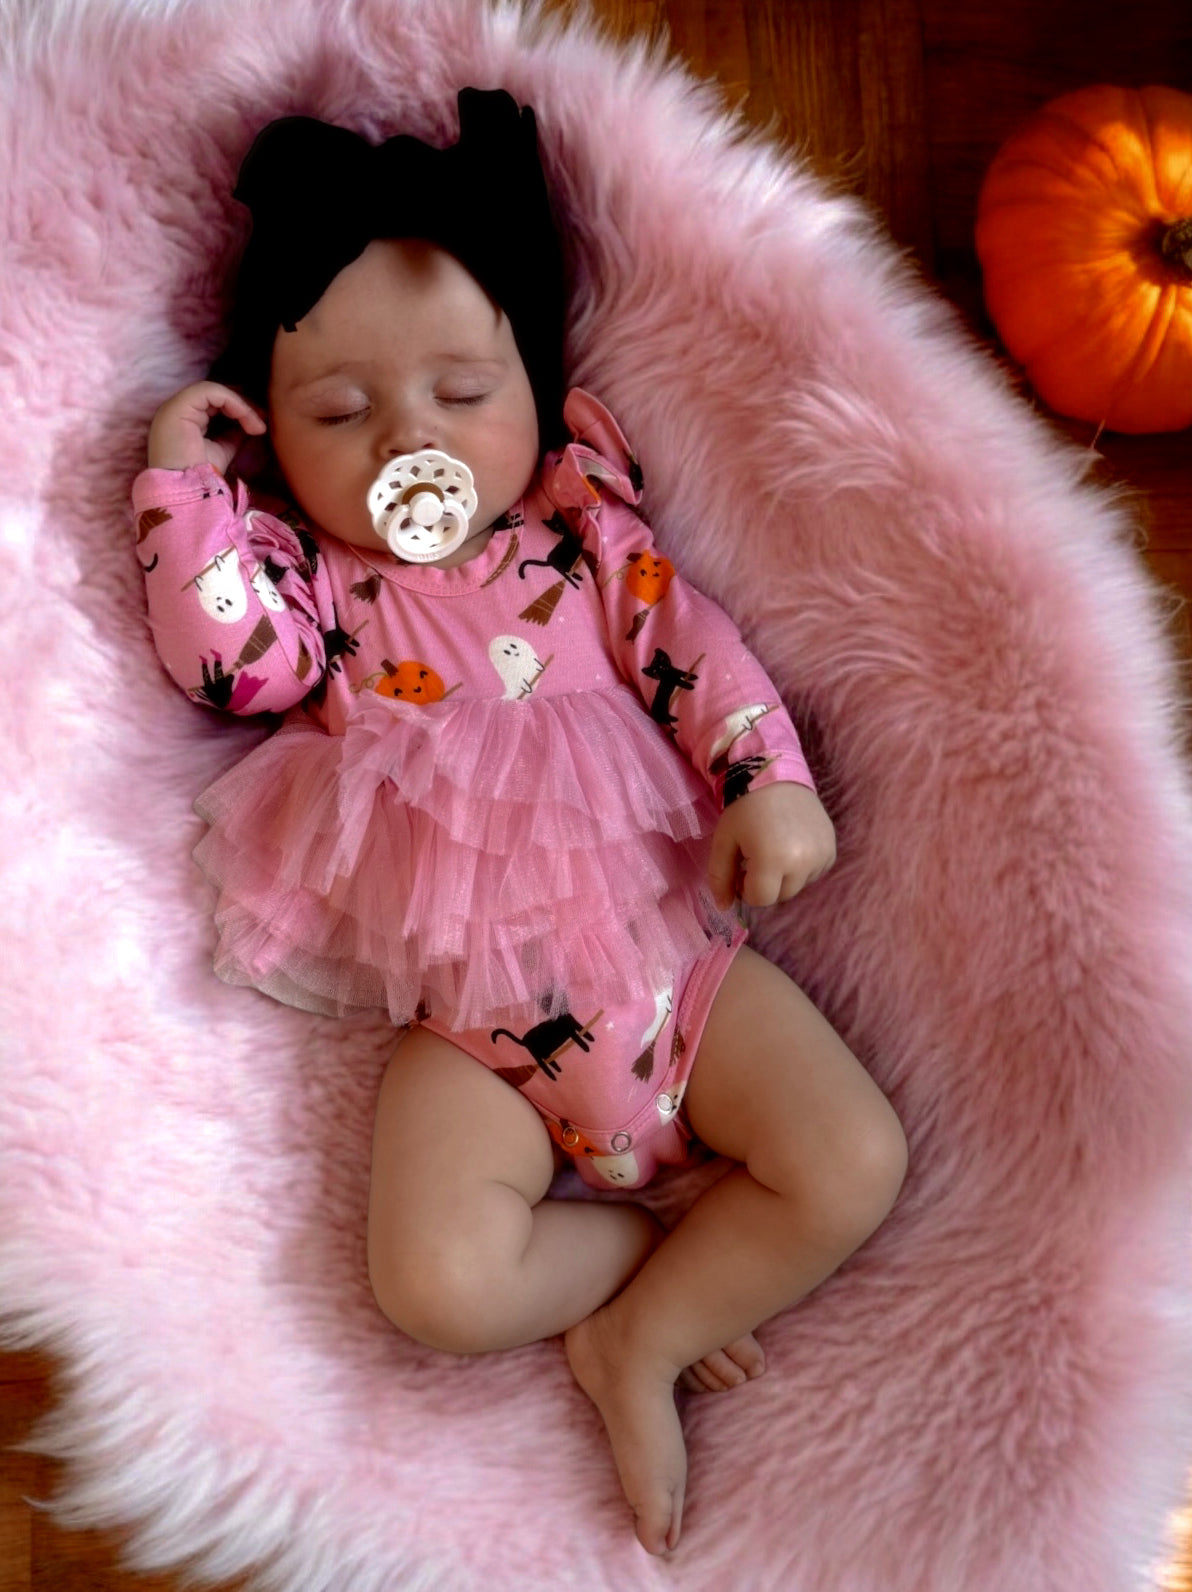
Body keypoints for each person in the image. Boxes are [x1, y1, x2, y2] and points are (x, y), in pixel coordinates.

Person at [132, 89, 908, 1558]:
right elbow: (226, 666)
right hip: (474, 1039)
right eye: (340, 412)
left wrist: (770, 781)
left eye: (462, 394)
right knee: (432, 1288)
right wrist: (184, 489)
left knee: (853, 1160)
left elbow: (694, 653)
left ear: (539, 394)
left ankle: (642, 1340)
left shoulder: (581, 543)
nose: (405, 442)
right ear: (275, 435)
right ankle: (636, 1255)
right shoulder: (321, 596)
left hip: (679, 977)